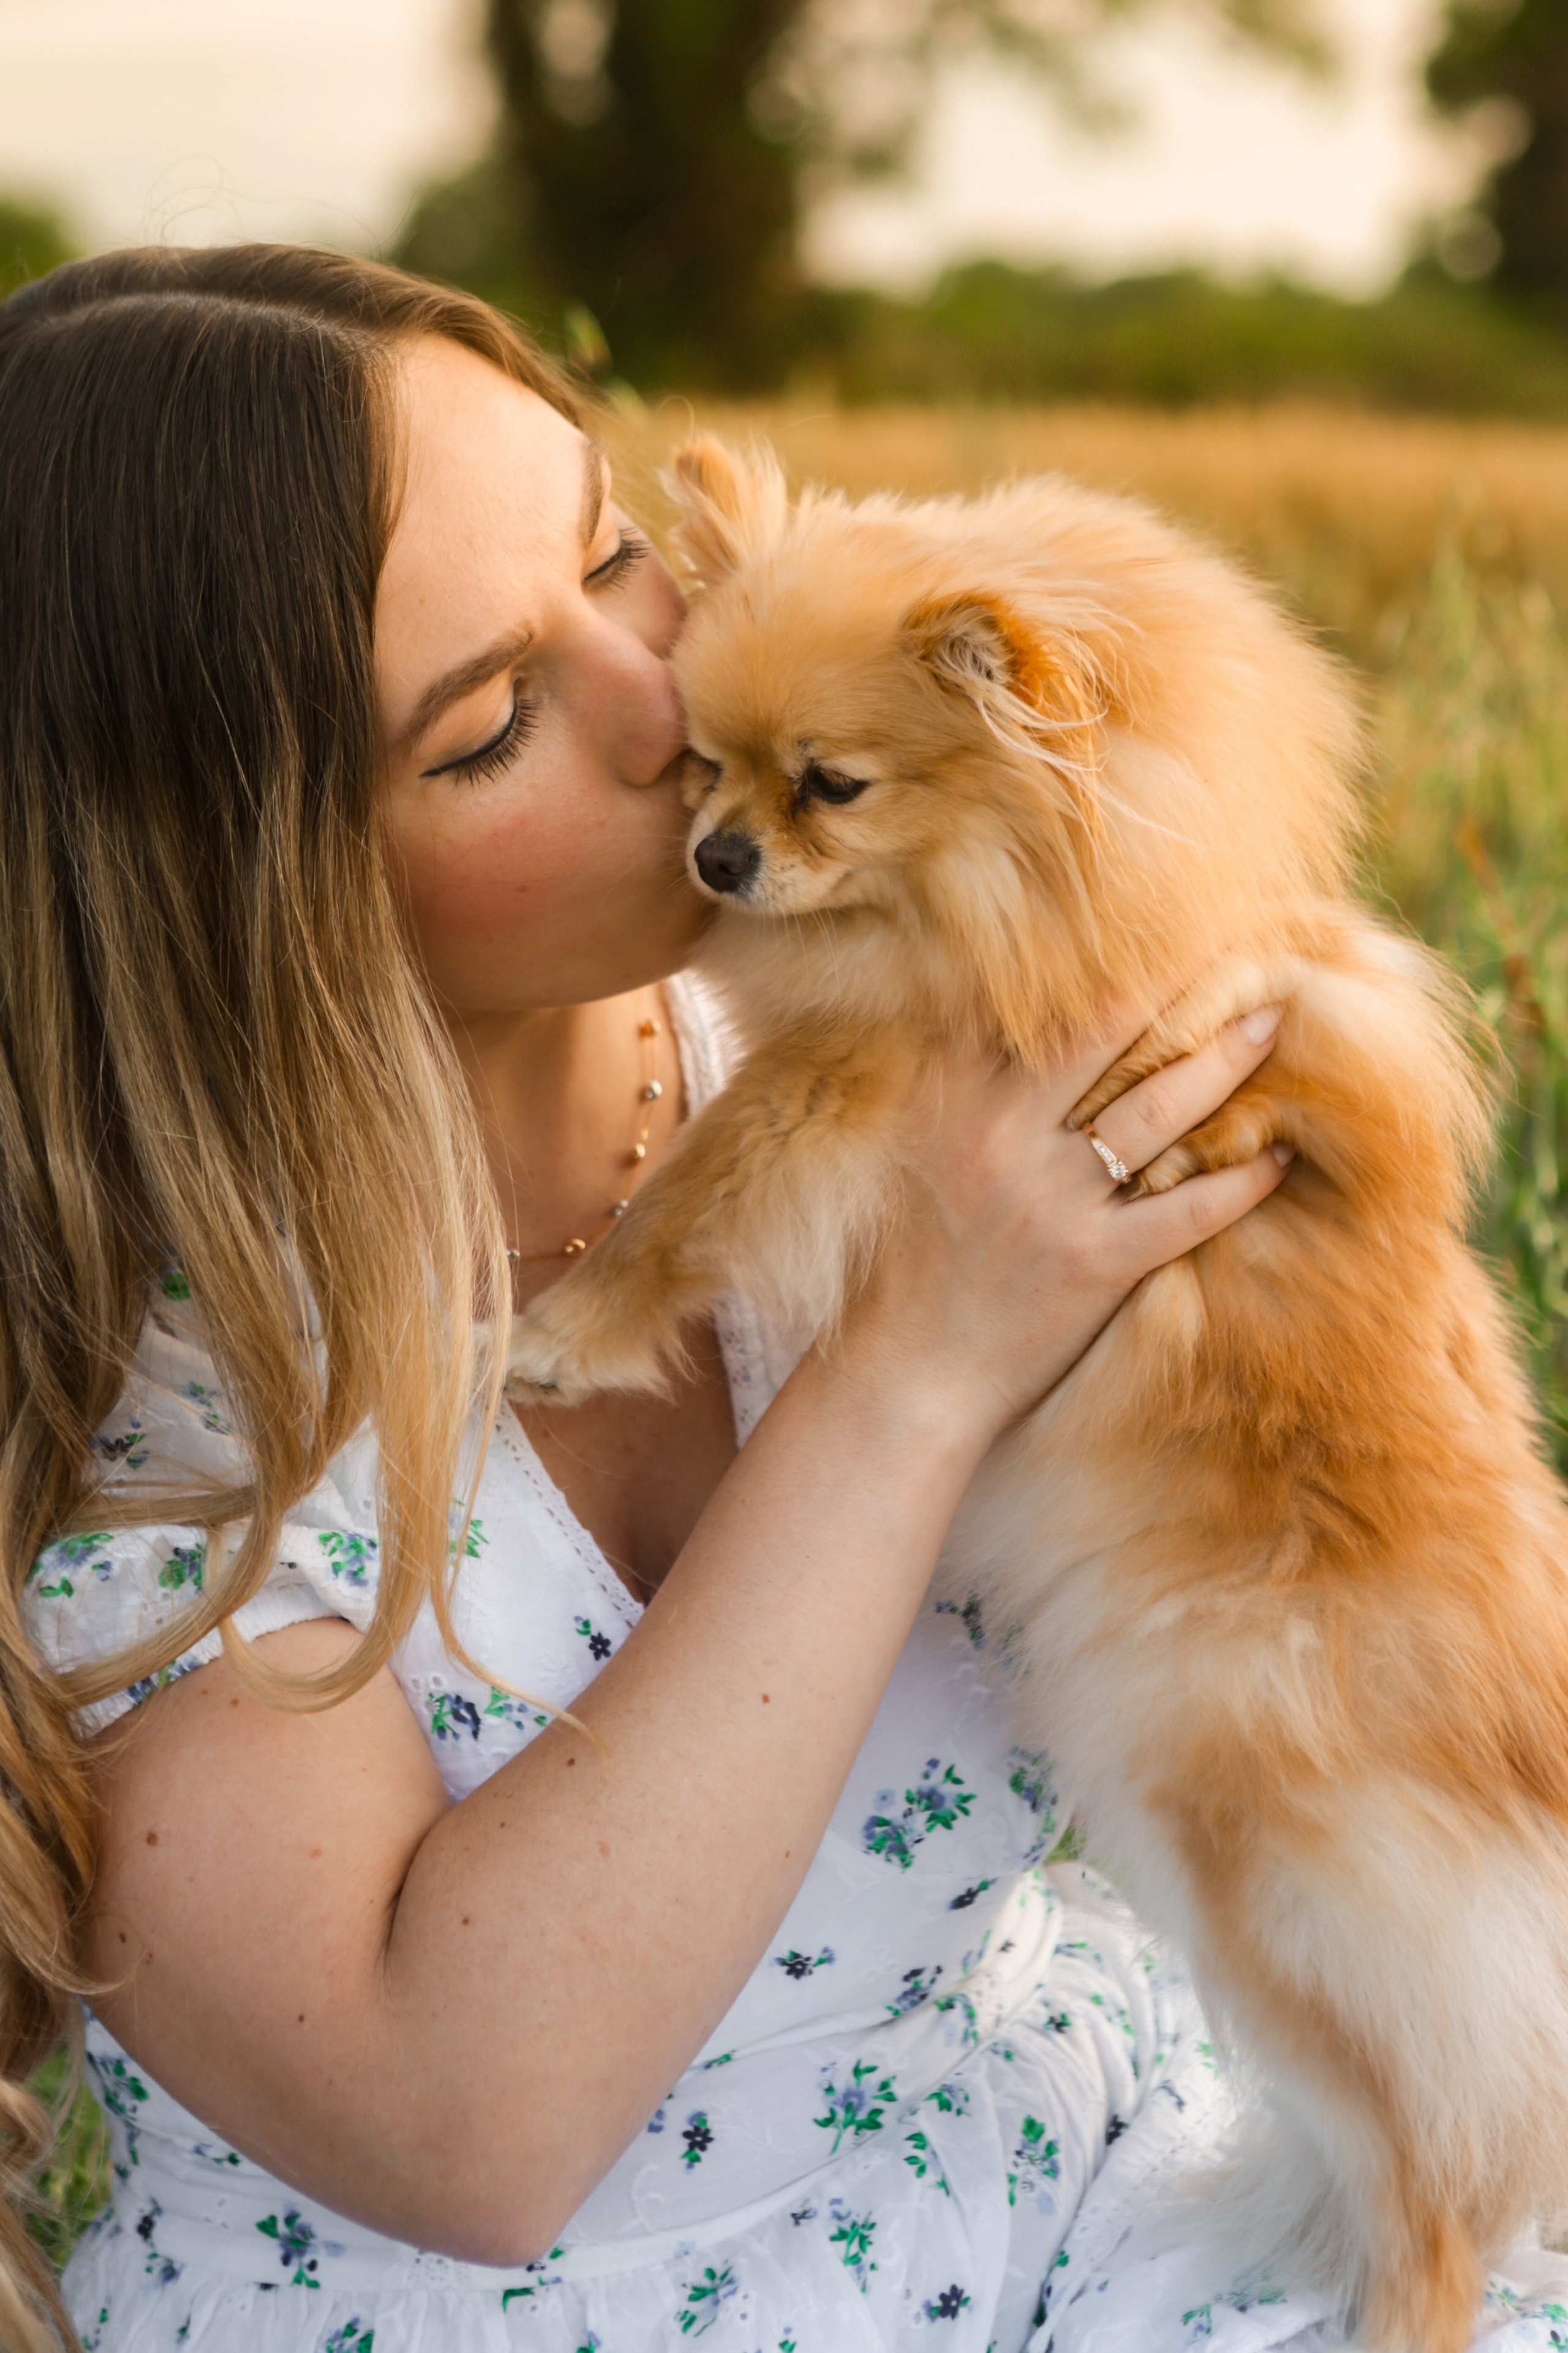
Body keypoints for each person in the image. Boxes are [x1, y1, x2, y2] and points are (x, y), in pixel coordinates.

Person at [0, 246, 1556, 2353]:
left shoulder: (916, 1017)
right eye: (492, 722)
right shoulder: (164, 1410)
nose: (671, 701)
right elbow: (470, 2126)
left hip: (1076, 2185)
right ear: (244, 886)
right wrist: (921, 1364)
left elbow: (1385, 1543)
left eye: (613, 548)